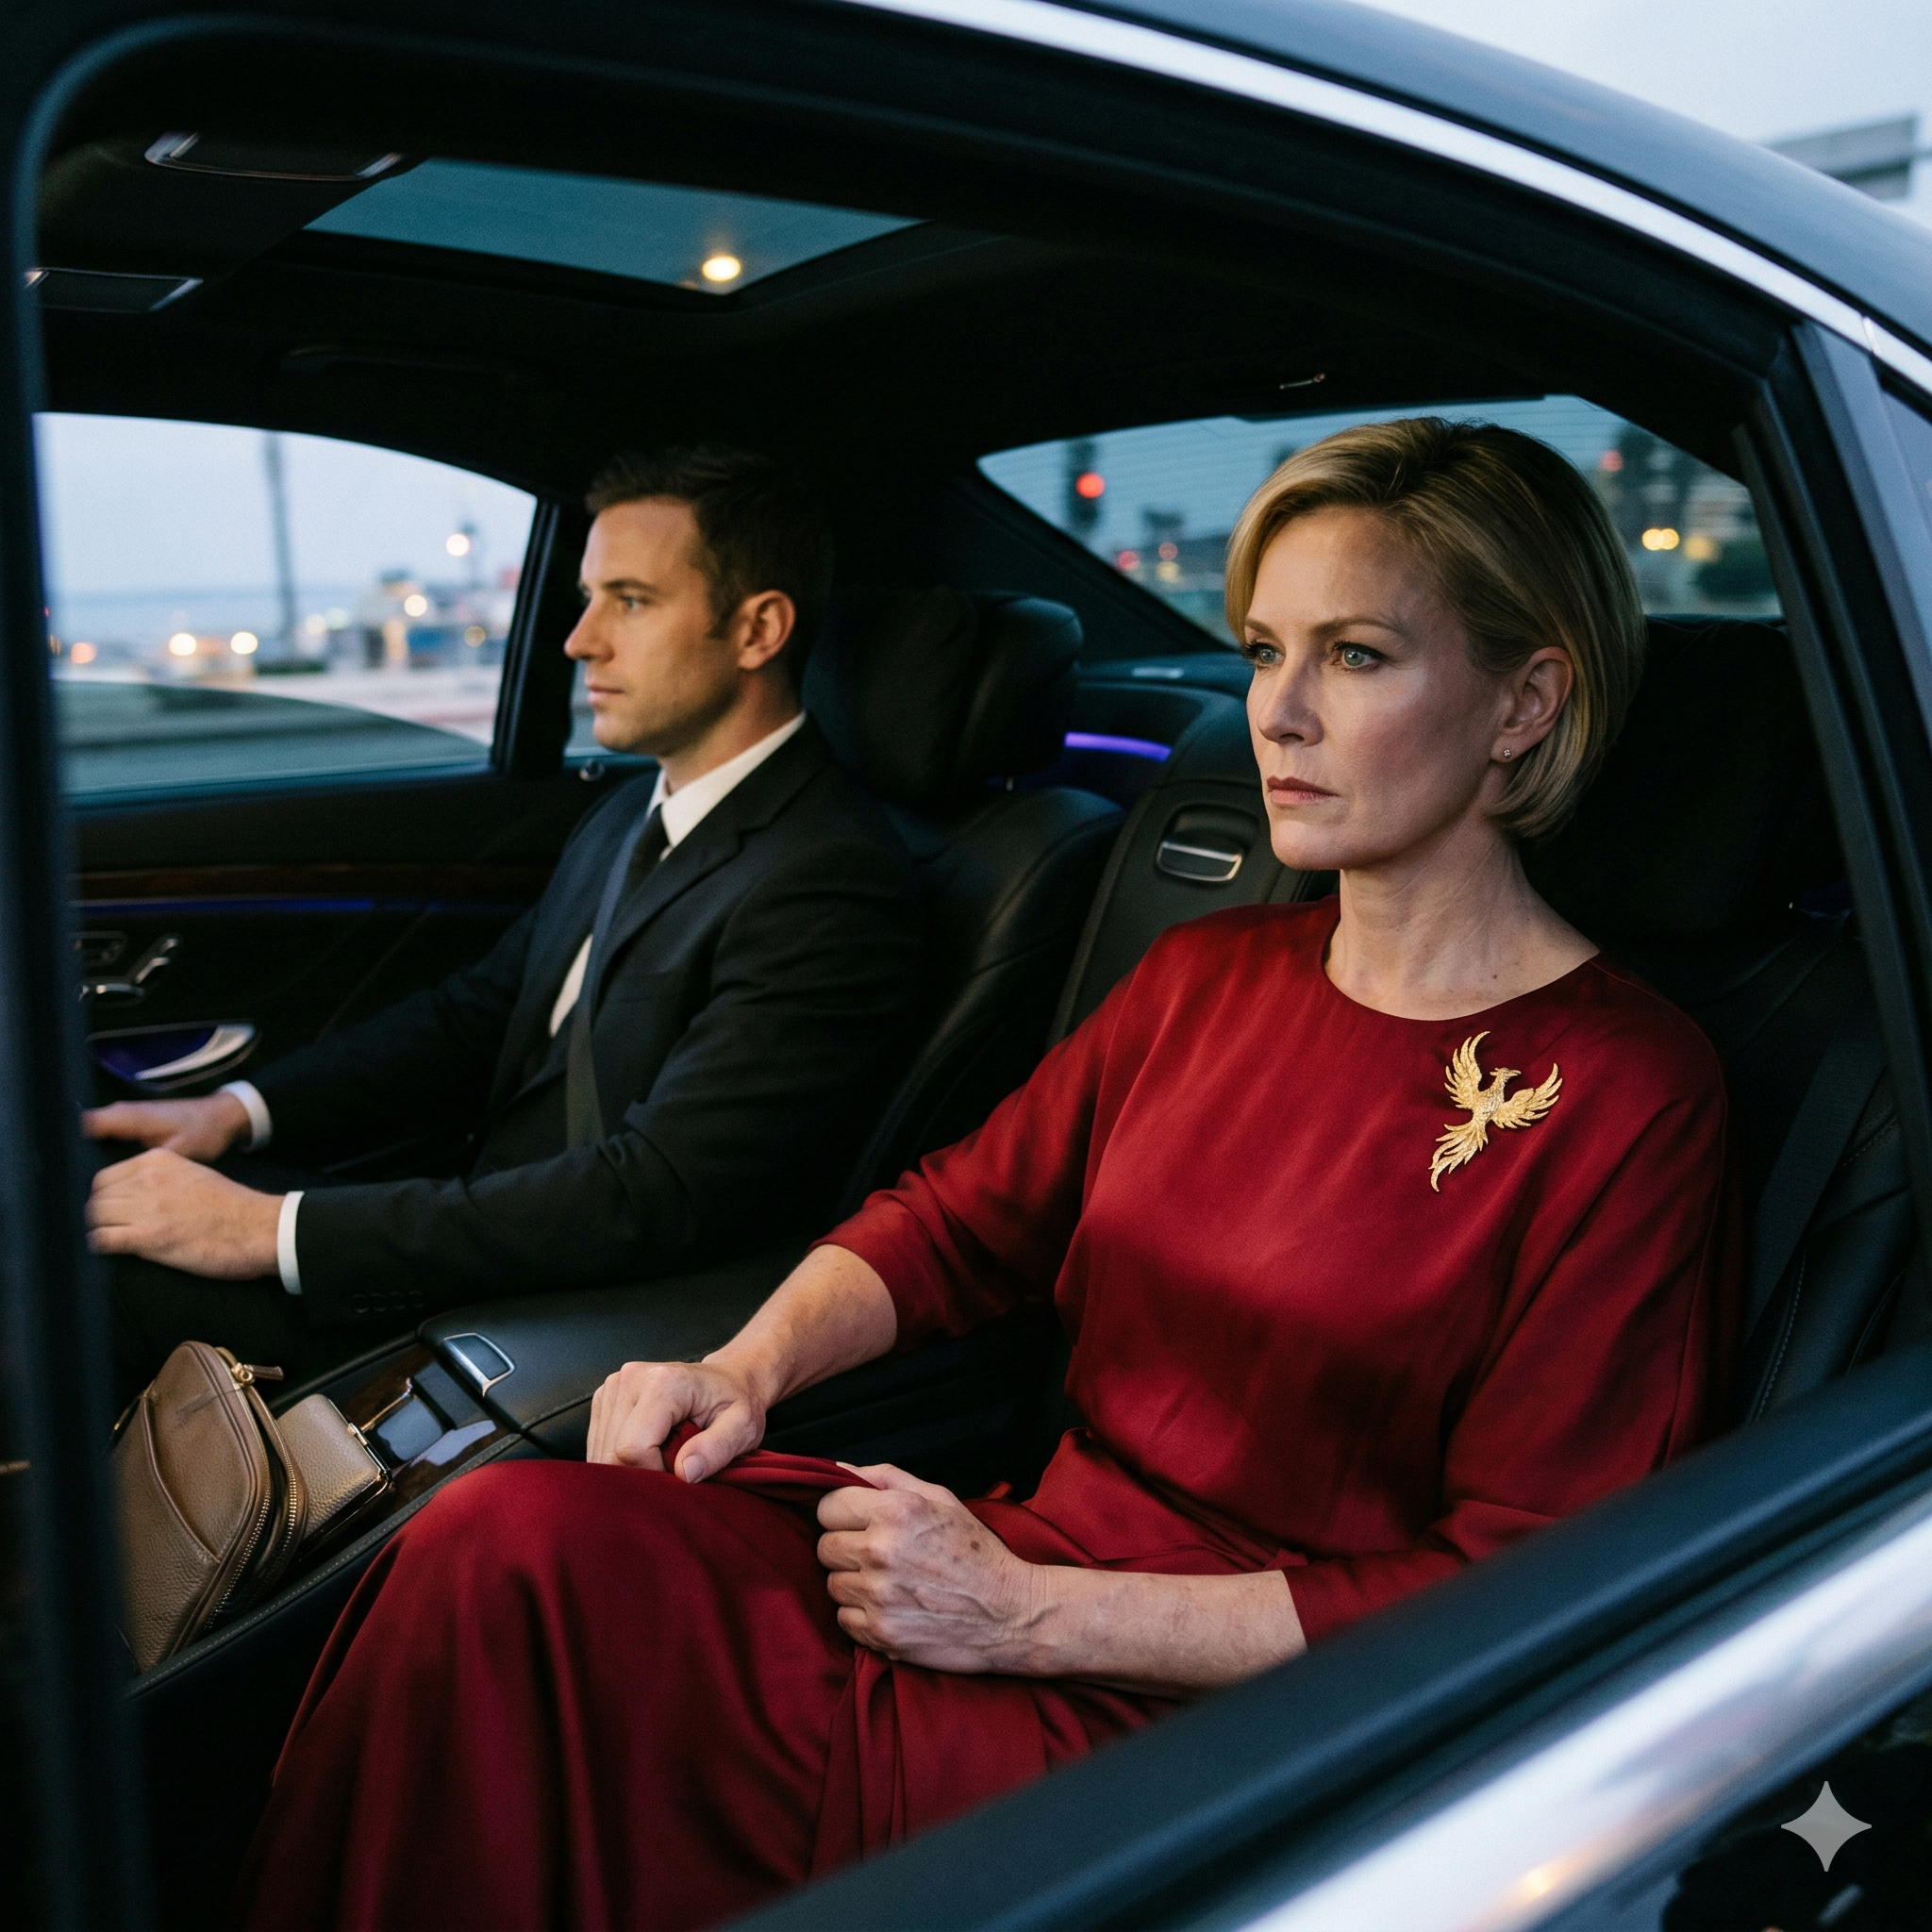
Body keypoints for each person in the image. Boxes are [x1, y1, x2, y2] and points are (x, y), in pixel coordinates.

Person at [231, 419, 1740, 1932]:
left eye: (1355, 656)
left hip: (1239, 1712)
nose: (1276, 714)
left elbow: (1526, 1584)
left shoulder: (1624, 1093)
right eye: (1263, 649)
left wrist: (1028, 1616)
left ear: (1525, 702)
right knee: (504, 1540)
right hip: (1005, 1562)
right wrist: (742, 1369)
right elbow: (956, 1219)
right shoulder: (1211, 976)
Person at [87, 445, 923, 1405]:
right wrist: (233, 1112)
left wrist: (268, 1229)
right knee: (102, 1179)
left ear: (757, 629)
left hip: (551, 1320)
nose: (579, 640)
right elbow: (476, 1015)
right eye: (588, 598)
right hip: (481, 1241)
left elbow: (653, 1195)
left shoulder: (828, 880)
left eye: (630, 601)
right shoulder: (630, 812)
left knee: (82, 1276)